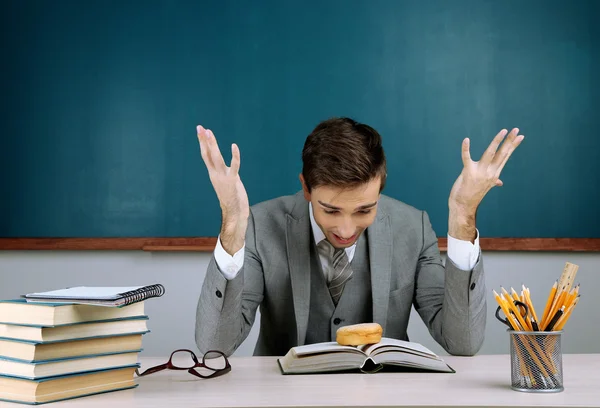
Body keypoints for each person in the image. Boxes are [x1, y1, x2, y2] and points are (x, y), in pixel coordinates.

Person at [194, 117, 523, 357]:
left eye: (364, 210)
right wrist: (232, 227)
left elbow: (461, 343)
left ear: (380, 189)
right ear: (306, 188)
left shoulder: (414, 227)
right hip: (283, 401)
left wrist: (463, 218)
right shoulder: (261, 225)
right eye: (332, 211)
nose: (347, 230)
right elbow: (215, 347)